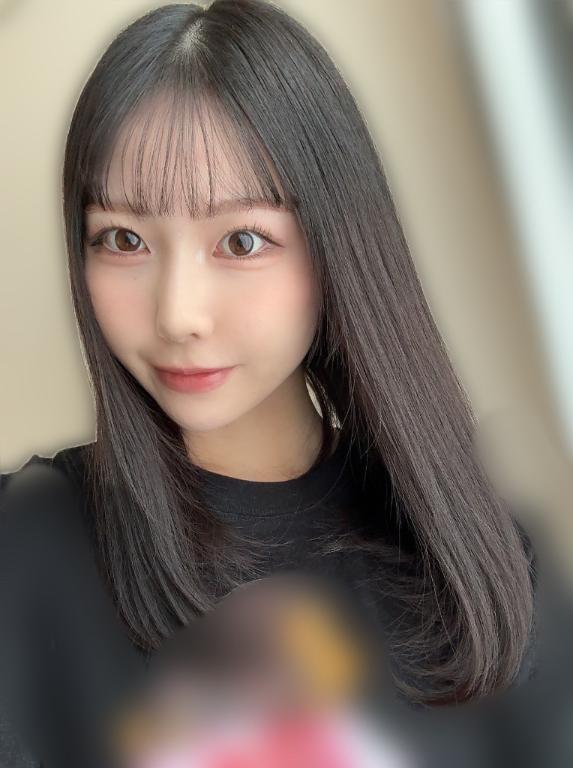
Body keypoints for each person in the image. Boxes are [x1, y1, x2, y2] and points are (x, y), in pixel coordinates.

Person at [0, 1, 540, 766]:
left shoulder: (475, 548)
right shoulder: (28, 544)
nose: (178, 313)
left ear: (334, 244)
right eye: (123, 239)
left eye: (242, 240)